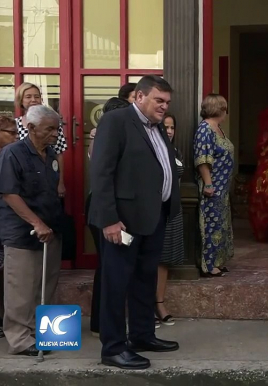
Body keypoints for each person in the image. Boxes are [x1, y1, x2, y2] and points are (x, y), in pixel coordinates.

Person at [89, 75, 181, 370]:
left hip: (154, 217)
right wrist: (109, 220)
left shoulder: (157, 128)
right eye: (158, 100)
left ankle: (142, 335)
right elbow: (102, 172)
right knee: (116, 284)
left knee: (145, 280)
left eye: (167, 102)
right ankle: (113, 348)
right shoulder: (116, 121)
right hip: (122, 222)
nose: (164, 107)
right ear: (139, 97)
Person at [0, 105, 63, 356]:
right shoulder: (12, 153)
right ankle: (20, 340)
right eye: (50, 129)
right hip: (22, 231)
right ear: (31, 128)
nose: (55, 134)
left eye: (57, 129)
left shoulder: (52, 154)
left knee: (45, 285)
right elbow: (9, 193)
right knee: (21, 288)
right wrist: (36, 223)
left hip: (50, 229)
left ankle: (44, 333)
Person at [85, 96, 132, 338]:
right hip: (104, 210)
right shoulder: (104, 139)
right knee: (108, 268)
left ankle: (102, 324)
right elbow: (103, 179)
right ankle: (102, 325)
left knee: (109, 267)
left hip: (108, 209)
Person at [193, 94, 234, 277]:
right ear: (218, 108)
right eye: (224, 107)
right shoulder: (205, 130)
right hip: (213, 188)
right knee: (211, 226)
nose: (226, 111)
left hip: (222, 188)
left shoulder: (218, 128)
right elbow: (203, 160)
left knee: (221, 225)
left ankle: (218, 261)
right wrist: (208, 184)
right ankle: (209, 265)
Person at [14, 82, 68, 198]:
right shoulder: (14, 125)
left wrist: (61, 183)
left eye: (37, 96)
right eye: (28, 97)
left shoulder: (53, 122)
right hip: (23, 178)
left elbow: (59, 154)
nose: (33, 100)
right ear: (21, 100)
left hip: (48, 176)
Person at [0, 115, 19, 340]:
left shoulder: (6, 156)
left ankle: (1, 313)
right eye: (11, 132)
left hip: (3, 222)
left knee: (0, 271)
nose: (16, 137)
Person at [156, 113, 185, 325]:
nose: (169, 131)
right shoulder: (153, 149)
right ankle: (146, 305)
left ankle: (159, 302)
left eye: (172, 127)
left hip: (173, 210)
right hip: (153, 211)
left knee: (165, 259)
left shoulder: (175, 151)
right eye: (165, 127)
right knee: (149, 260)